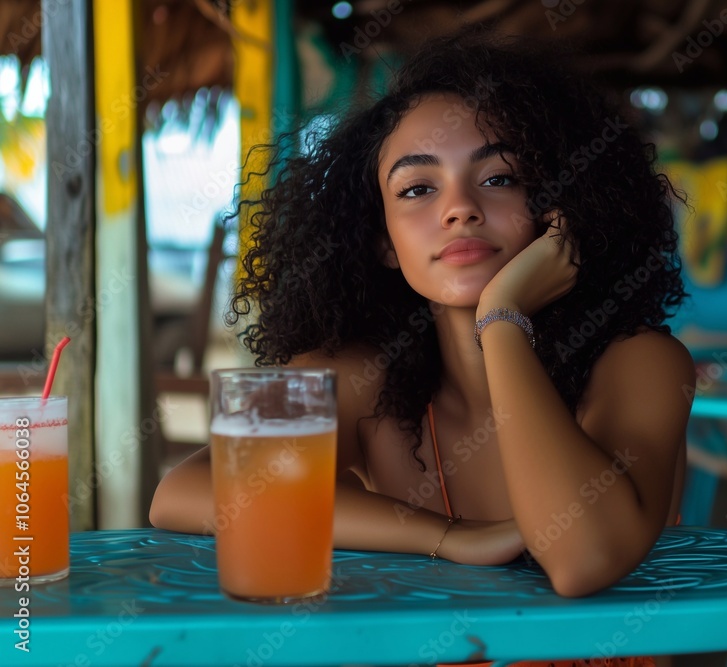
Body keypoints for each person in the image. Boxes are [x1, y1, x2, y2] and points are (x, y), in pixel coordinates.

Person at [150, 27, 694, 661]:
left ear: (559, 209)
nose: (460, 207)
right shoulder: (365, 378)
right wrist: (446, 537)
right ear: (381, 239)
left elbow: (581, 561)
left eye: (499, 178)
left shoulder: (638, 364)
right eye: (417, 189)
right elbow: (181, 496)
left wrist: (502, 318)